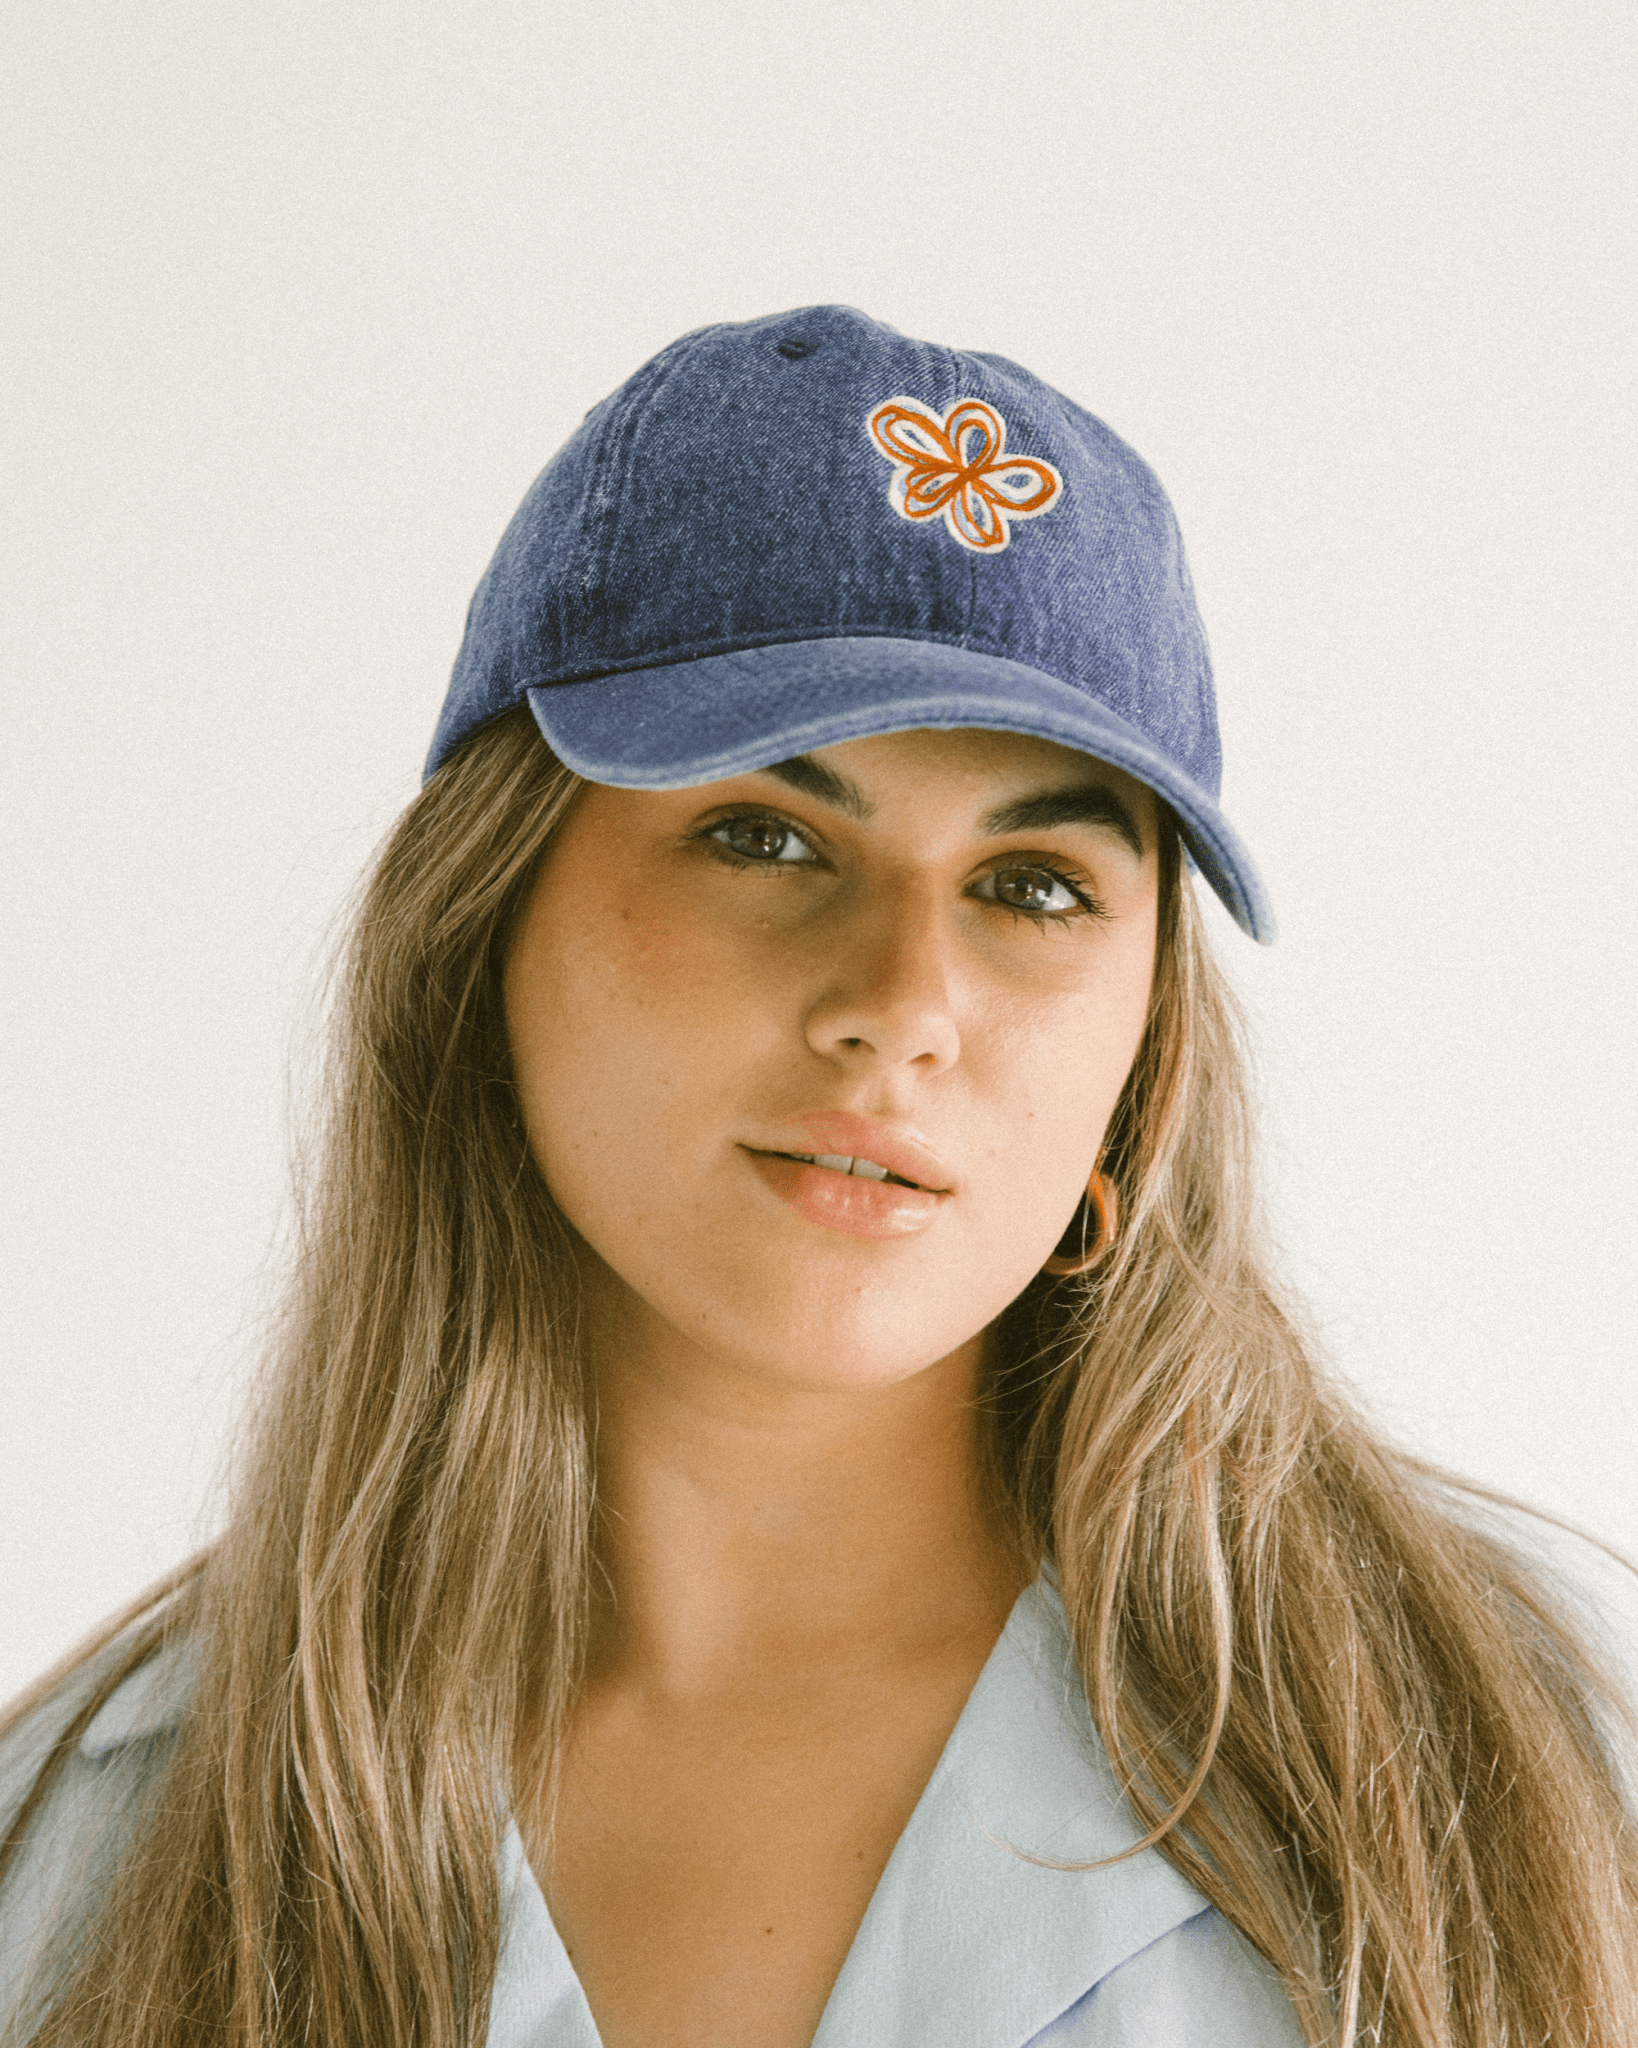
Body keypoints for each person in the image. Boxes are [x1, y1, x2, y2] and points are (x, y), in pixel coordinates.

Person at [1, 304, 1633, 2048]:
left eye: (1033, 887)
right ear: (477, 940)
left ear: (1144, 1049)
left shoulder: (1546, 1752)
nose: (903, 1009)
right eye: (762, 838)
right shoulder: (98, 1850)